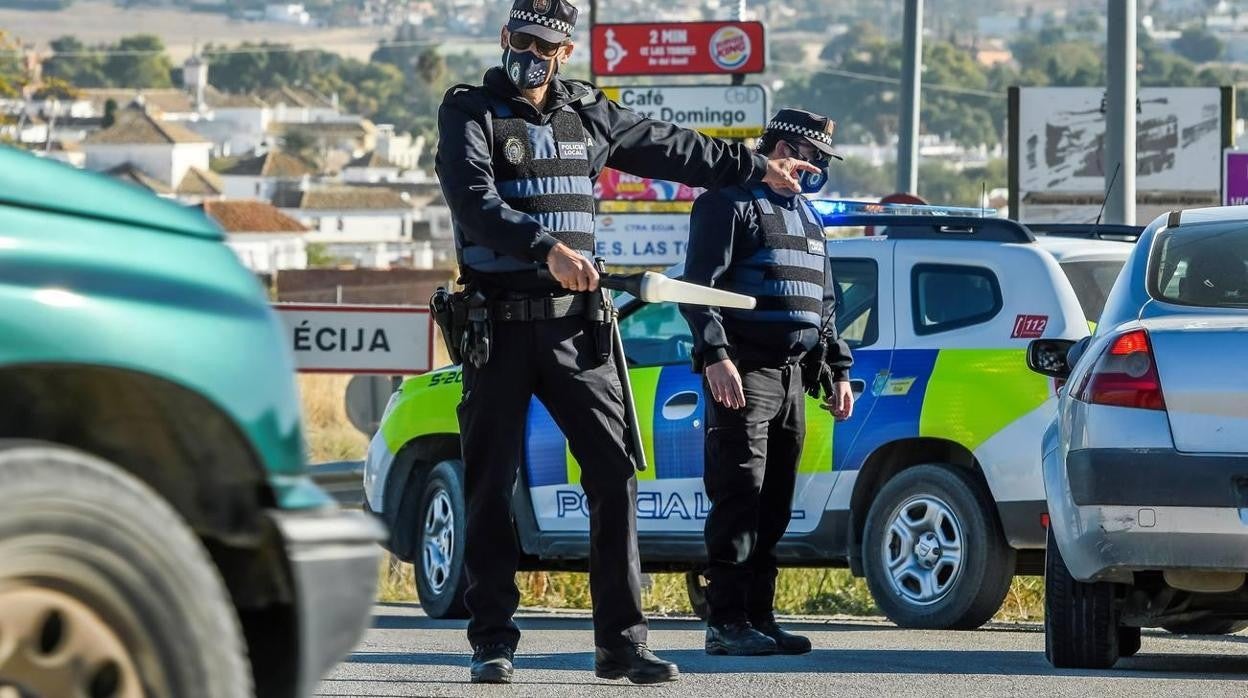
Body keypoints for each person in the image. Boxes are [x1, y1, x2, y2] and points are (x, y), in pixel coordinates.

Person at [435, 0, 821, 685]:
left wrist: (753, 167)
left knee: (613, 477)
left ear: (562, 53)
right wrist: (544, 245)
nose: (531, 53)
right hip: (497, 323)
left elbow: (677, 148)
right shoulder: (470, 111)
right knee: (491, 484)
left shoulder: (587, 112)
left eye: (545, 45)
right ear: (504, 37)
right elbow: (473, 201)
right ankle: (491, 640)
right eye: (521, 40)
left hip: (576, 324)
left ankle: (622, 644)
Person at [679, 109, 855, 657]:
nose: (818, 169)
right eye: (813, 158)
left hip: (791, 380)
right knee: (739, 498)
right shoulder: (726, 203)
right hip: (743, 372)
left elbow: (824, 306)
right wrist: (715, 354)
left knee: (773, 504)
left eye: (824, 162)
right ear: (781, 147)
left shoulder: (807, 215)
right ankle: (725, 620)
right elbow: (697, 287)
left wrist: (836, 373)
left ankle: (759, 615)